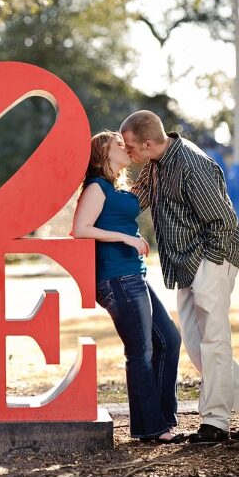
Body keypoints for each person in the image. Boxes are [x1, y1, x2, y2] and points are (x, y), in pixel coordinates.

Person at [119, 110, 239, 444]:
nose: (128, 152)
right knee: (197, 347)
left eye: (130, 147)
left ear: (148, 143)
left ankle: (215, 423)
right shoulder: (154, 165)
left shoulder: (192, 165)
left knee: (214, 344)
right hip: (186, 266)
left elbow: (223, 222)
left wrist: (210, 270)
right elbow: (133, 202)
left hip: (212, 261)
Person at [72, 130, 183, 444]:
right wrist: (126, 238)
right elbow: (80, 229)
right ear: (103, 154)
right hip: (116, 279)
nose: (125, 145)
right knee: (141, 351)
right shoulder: (97, 186)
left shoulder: (118, 187)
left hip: (134, 276)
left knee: (169, 340)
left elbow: (147, 182)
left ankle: (161, 420)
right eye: (118, 143)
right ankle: (152, 429)